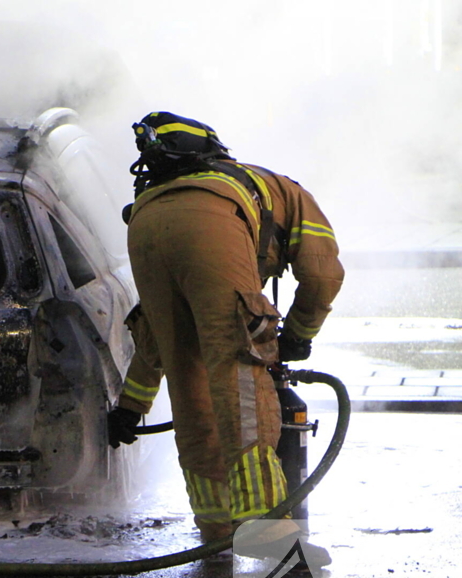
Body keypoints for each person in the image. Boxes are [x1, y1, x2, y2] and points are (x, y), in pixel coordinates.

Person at [108, 112, 344, 552]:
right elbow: (322, 274)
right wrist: (298, 335)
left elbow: (157, 335)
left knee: (190, 390)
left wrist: (131, 405)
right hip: (212, 224)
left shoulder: (160, 192)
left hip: (142, 224)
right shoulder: (285, 192)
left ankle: (217, 531)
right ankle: (268, 533)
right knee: (243, 384)